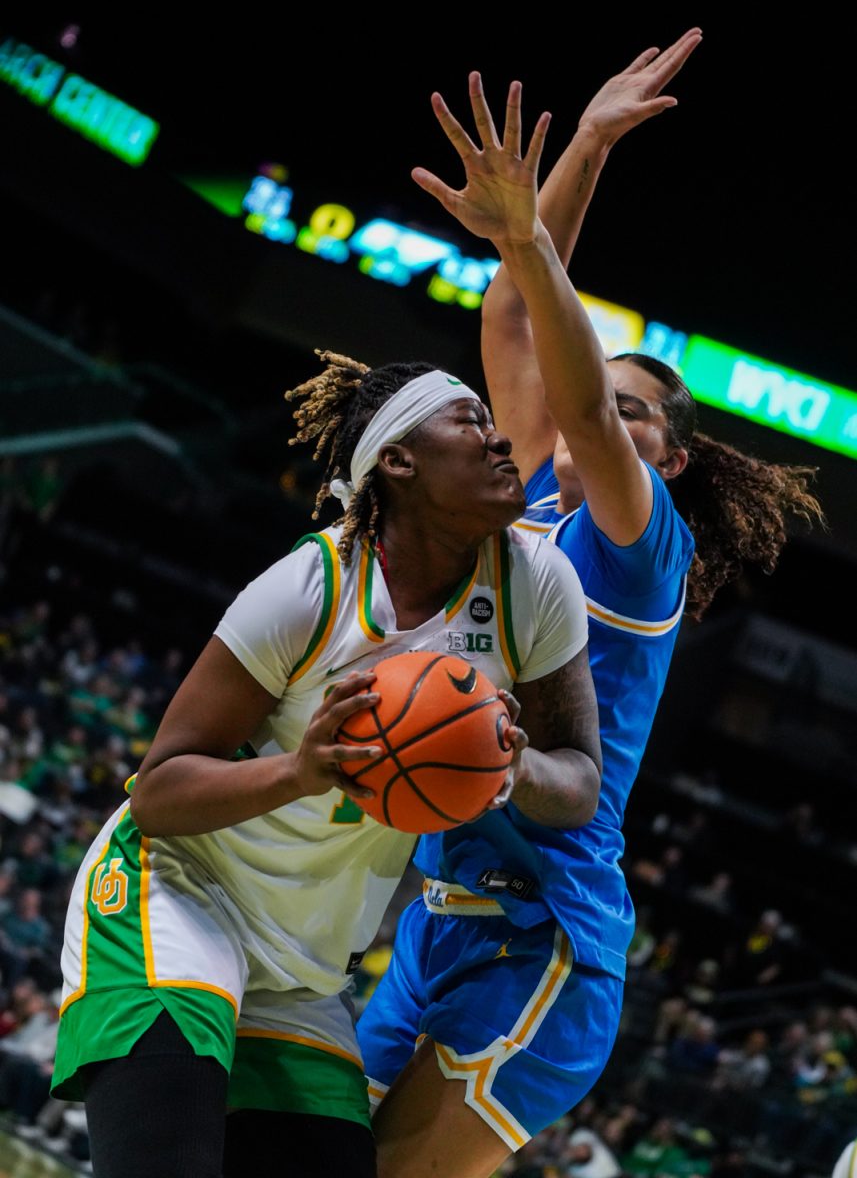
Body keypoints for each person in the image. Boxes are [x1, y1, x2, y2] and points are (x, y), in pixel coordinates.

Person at [357, 49, 824, 1178]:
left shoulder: (637, 547)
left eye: (633, 414)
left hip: (544, 938)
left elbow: (566, 382)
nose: (602, 418)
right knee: (284, 1151)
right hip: (440, 913)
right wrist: (588, 148)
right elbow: (516, 320)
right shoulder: (522, 503)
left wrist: (526, 239)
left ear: (667, 453)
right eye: (602, 402)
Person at [51, 342, 601, 1176]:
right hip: (180, 897)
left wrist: (513, 769)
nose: (501, 443)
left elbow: (579, 783)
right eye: (471, 421)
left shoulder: (535, 584)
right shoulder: (309, 590)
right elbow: (160, 792)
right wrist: (298, 772)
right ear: (398, 461)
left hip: (306, 965)